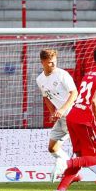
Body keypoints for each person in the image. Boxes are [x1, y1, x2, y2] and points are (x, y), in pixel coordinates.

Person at [53, 45, 96, 191]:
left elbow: (86, 103)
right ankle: (64, 163)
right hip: (86, 123)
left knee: (80, 158)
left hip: (73, 117)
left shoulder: (88, 74)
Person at [35, 48, 78, 181]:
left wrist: (62, 109)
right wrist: (53, 112)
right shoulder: (40, 79)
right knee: (52, 148)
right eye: (50, 62)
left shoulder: (62, 75)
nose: (53, 64)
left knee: (80, 150)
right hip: (61, 117)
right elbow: (46, 97)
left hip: (72, 115)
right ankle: (68, 167)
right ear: (42, 62)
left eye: (54, 61)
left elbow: (74, 93)